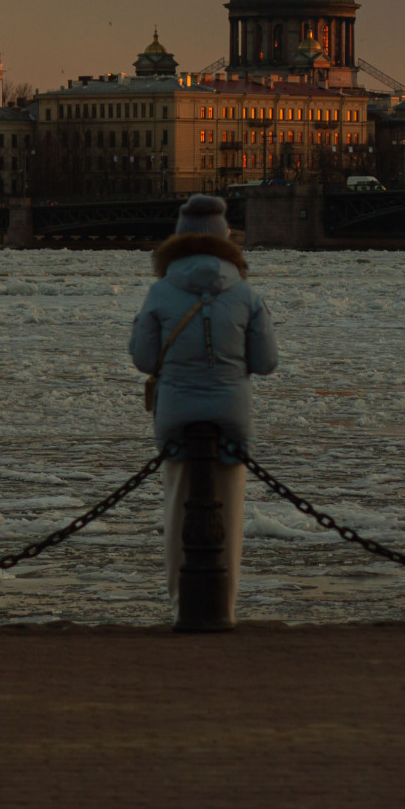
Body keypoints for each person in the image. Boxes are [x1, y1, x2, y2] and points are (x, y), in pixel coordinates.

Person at [128, 193, 278, 626]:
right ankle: (223, 610)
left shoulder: (160, 292)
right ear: (226, 238)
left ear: (179, 237)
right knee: (228, 515)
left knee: (178, 511)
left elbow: (143, 358)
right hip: (230, 413)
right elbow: (266, 363)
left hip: (176, 414)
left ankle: (183, 608)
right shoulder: (246, 294)